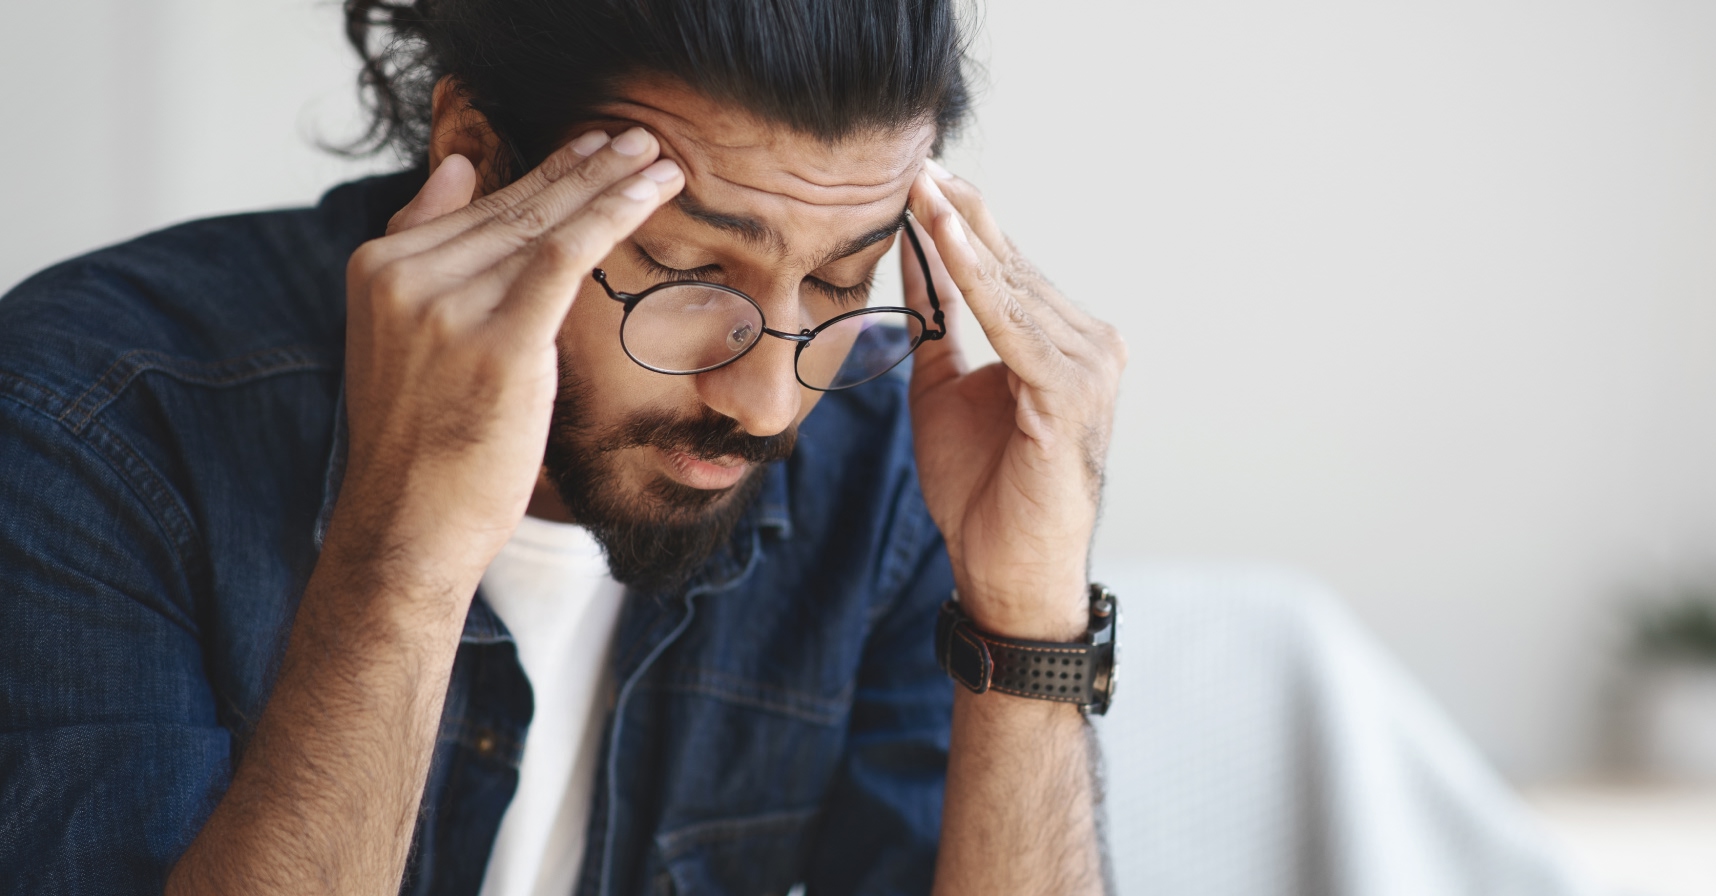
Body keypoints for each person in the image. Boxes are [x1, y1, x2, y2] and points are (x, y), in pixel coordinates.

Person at [0, 0, 1126, 893]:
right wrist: (405, 556)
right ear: (477, 159)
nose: (771, 398)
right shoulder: (87, 426)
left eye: (841, 278)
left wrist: (1024, 612)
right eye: (691, 271)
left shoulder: (884, 476)